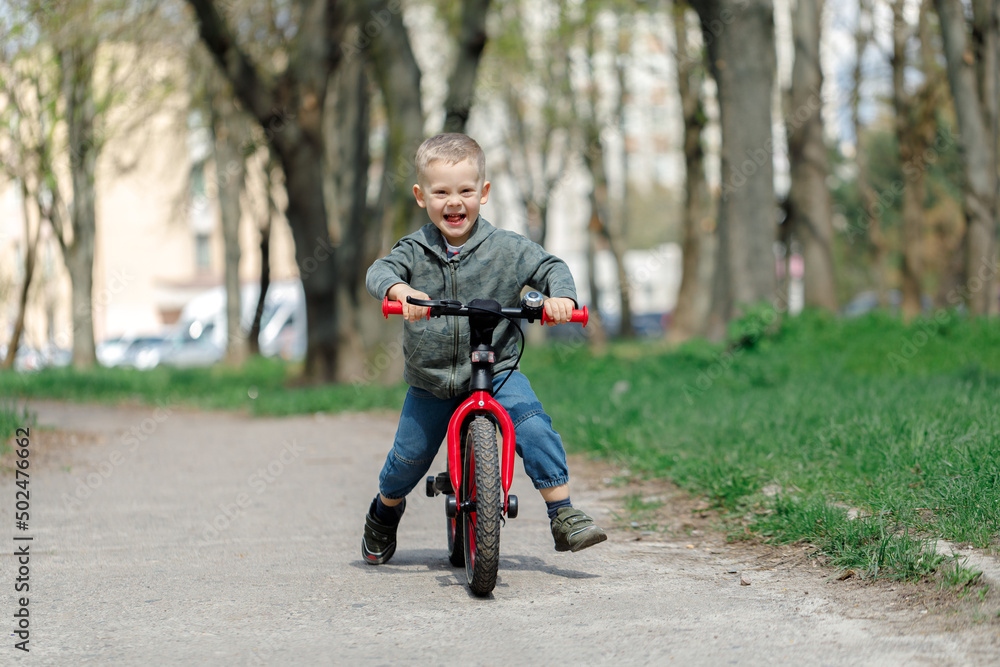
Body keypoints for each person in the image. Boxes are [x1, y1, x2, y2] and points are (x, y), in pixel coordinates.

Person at [361, 132, 607, 564]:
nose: (454, 202)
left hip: (498, 370)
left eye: (465, 191)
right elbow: (380, 271)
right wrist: (401, 291)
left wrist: (561, 298)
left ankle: (562, 511)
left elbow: (550, 267)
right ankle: (385, 512)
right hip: (433, 378)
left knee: (532, 425)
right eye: (440, 192)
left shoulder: (507, 249)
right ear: (421, 196)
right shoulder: (414, 251)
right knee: (408, 457)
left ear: (484, 193)